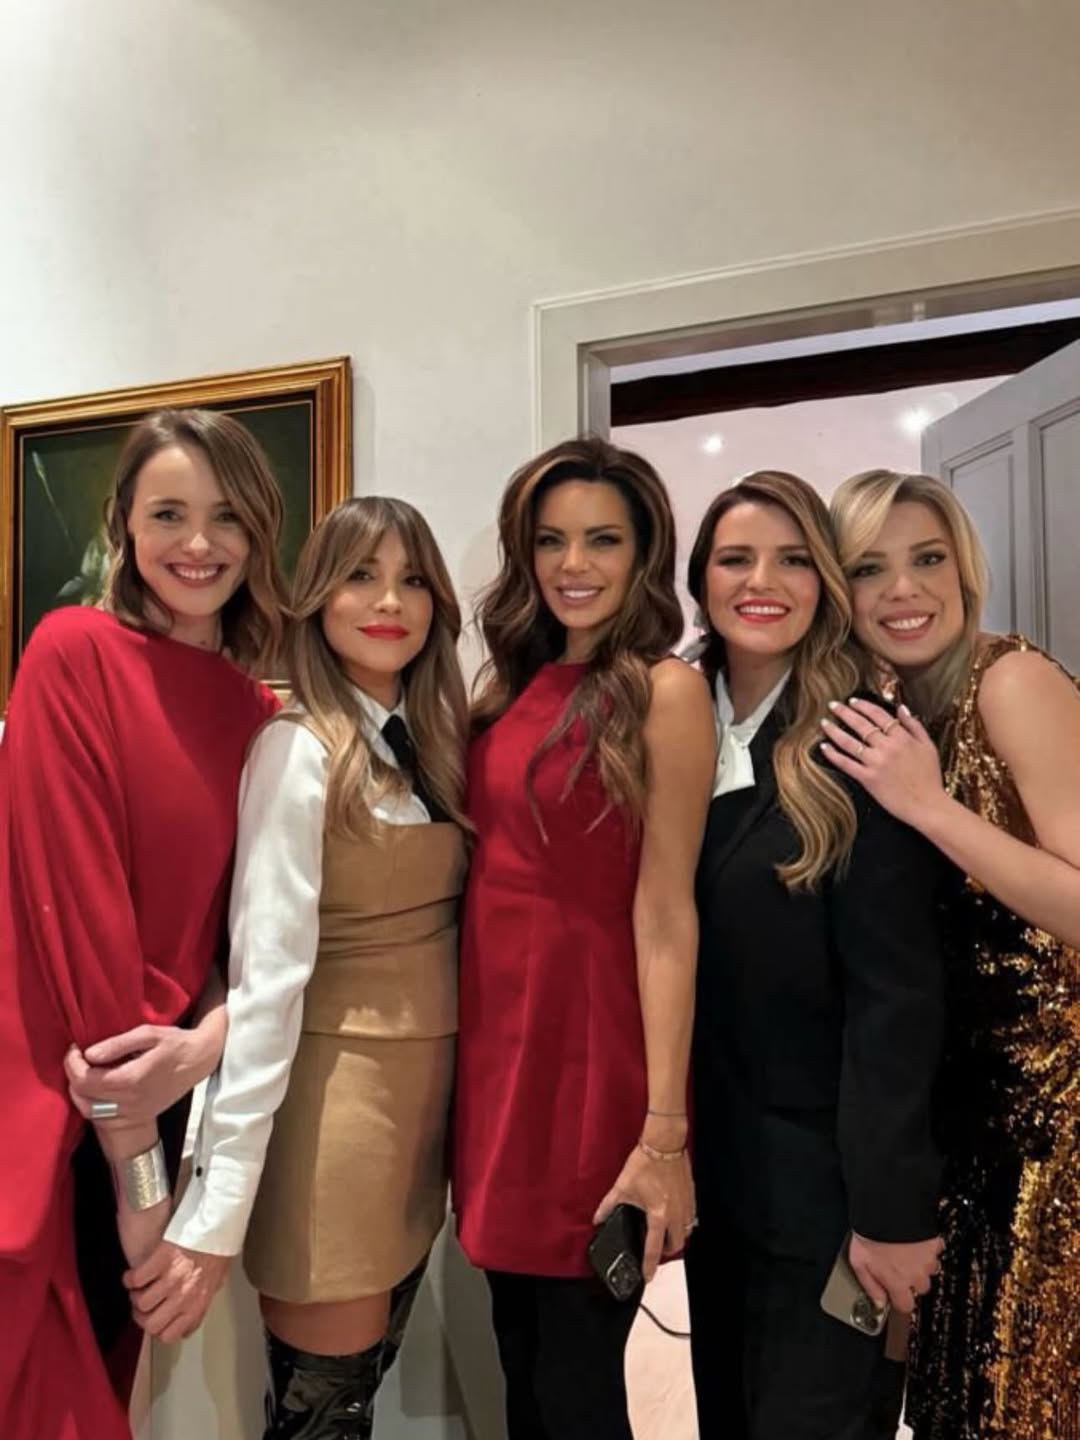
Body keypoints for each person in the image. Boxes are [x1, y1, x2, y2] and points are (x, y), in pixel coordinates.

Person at [124, 496, 470, 1439]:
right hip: (334, 1120)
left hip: (418, 1116)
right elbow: (267, 983)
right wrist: (218, 1208)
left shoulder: (431, 747)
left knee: (364, 1389)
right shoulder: (297, 749)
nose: (388, 601)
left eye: (411, 579)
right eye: (361, 576)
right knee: (325, 1417)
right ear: (318, 599)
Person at [0, 408, 286, 1440]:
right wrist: (139, 1173)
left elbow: (235, 938)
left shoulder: (258, 715)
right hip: (55, 1087)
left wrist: (204, 1047)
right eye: (168, 513)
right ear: (123, 521)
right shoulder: (71, 649)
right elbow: (70, 900)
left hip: (161, 1086)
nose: (198, 543)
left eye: (226, 516)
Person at [452, 437, 716, 1440]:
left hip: (593, 1070)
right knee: (520, 1366)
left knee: (575, 1388)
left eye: (603, 540)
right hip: (498, 1069)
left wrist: (663, 1133)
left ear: (644, 554)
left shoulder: (663, 689)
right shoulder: (507, 687)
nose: (574, 564)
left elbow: (667, 915)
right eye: (550, 540)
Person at [684, 470, 947, 1440]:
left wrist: (892, 1210)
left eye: (793, 559)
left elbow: (896, 997)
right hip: (712, 1186)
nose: (763, 581)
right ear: (699, 581)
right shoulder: (670, 717)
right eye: (736, 558)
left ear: (824, 583)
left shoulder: (859, 740)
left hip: (828, 1197)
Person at [824, 469, 1079, 1440]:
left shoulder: (1010, 682)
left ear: (964, 568)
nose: (904, 589)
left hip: (1053, 1120)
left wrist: (929, 808)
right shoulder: (893, 710)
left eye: (927, 558)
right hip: (966, 1122)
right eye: (869, 568)